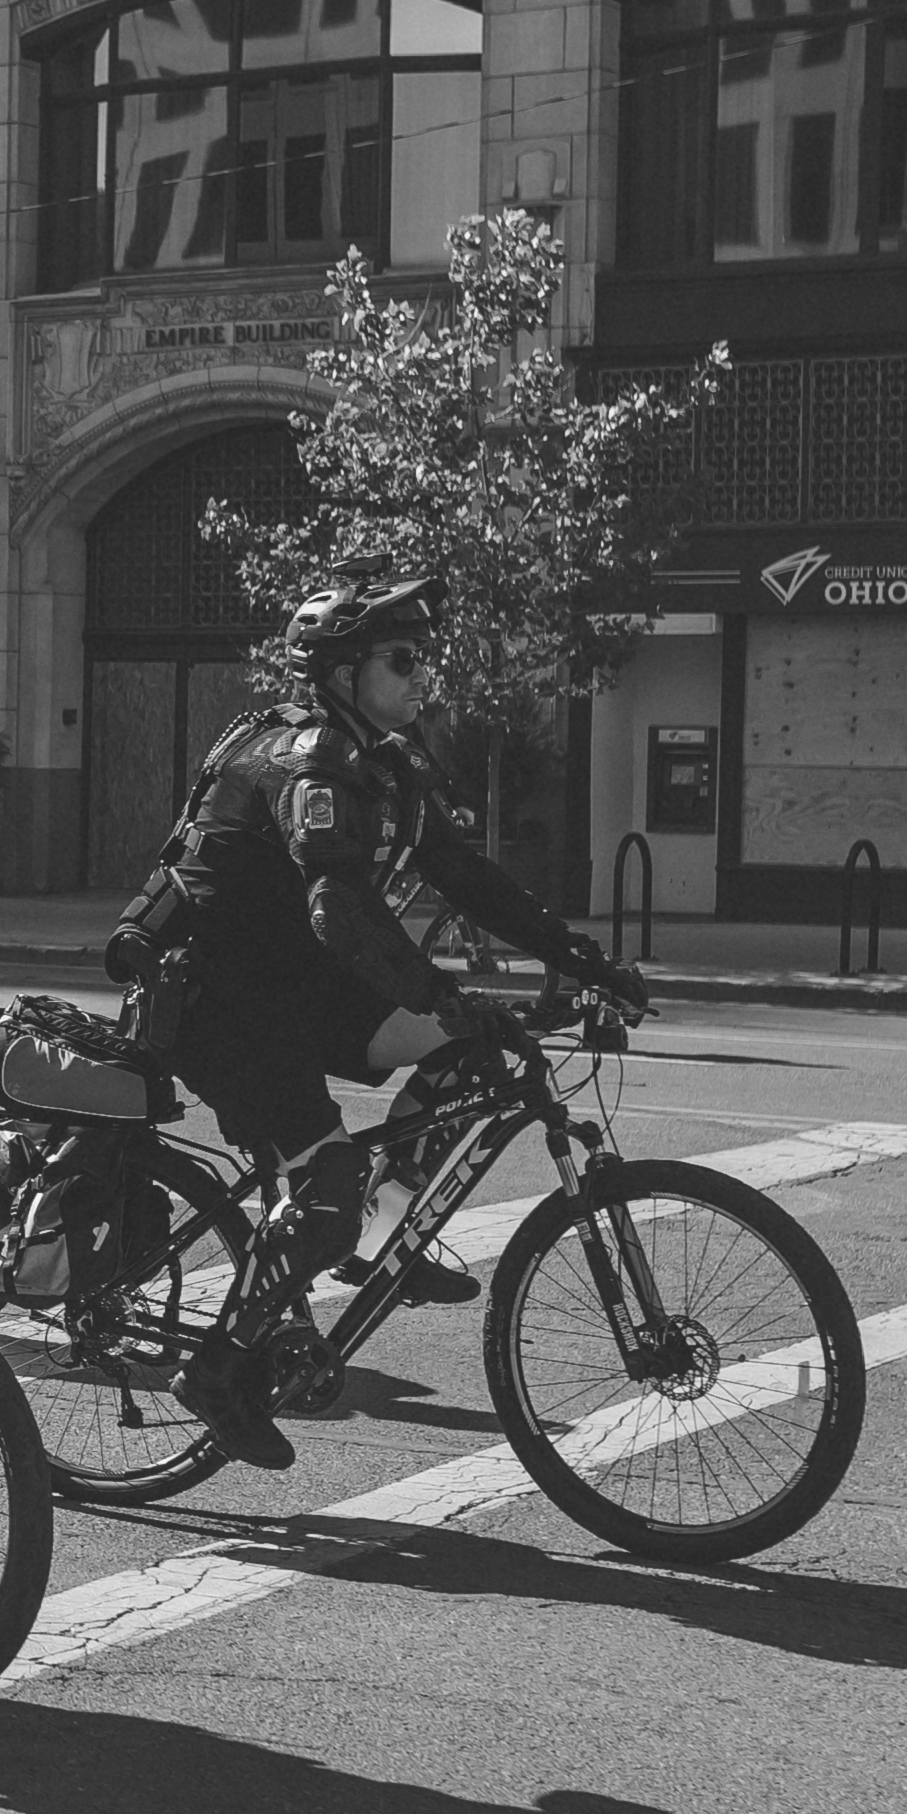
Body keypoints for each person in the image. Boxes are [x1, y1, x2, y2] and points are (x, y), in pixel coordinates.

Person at [127, 576, 635, 1467]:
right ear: (340, 671)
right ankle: (216, 1371)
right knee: (323, 1187)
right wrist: (436, 990)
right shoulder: (304, 761)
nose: (420, 675)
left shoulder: (384, 763)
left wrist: (584, 960)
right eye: (402, 660)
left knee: (483, 1052)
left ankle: (378, 1234)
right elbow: (337, 909)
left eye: (423, 658)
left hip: (298, 987)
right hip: (217, 998)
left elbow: (465, 877)